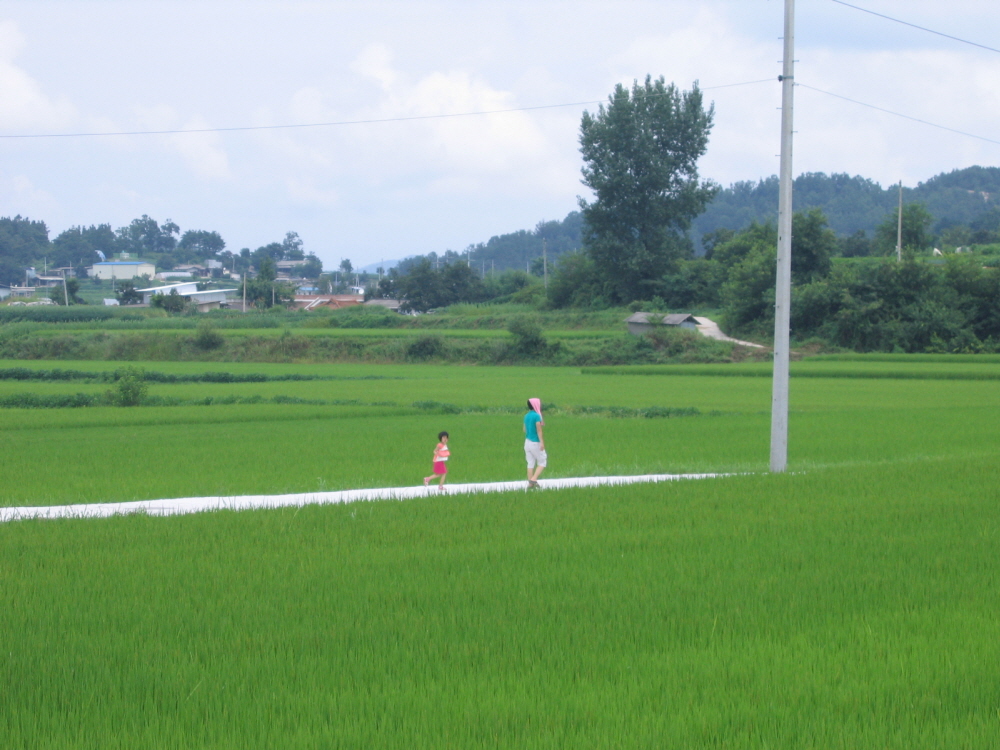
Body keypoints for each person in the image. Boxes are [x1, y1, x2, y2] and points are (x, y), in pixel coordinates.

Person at [524, 398, 546, 488]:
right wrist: (542, 442)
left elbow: (524, 429)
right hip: (535, 442)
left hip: (527, 442)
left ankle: (530, 484)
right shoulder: (537, 416)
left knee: (530, 463)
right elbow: (539, 430)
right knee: (542, 462)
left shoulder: (526, 416)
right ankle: (534, 479)